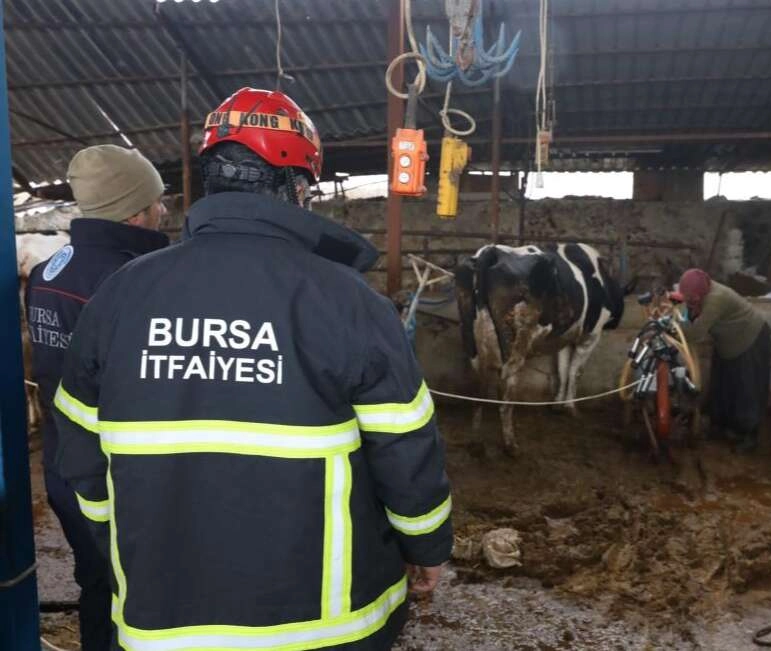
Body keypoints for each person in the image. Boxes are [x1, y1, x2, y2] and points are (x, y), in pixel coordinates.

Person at [53, 87, 452, 651]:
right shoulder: (348, 301)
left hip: (163, 621)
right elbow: (406, 450)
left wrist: (119, 543)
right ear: (298, 186)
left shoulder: (120, 296)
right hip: (325, 627)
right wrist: (427, 547)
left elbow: (81, 453)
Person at [26, 144, 170, 651]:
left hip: (67, 469)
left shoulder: (48, 273)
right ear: (135, 210)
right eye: (157, 200)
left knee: (96, 584)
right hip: (121, 477)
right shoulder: (138, 281)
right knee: (142, 596)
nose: (164, 209)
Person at [678, 269, 771, 453]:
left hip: (751, 338)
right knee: (722, 385)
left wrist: (672, 325)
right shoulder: (702, 293)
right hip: (728, 343)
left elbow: (695, 333)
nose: (689, 301)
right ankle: (720, 427)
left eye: (691, 298)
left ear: (700, 293)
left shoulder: (716, 298)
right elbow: (688, 313)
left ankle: (749, 435)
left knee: (747, 388)